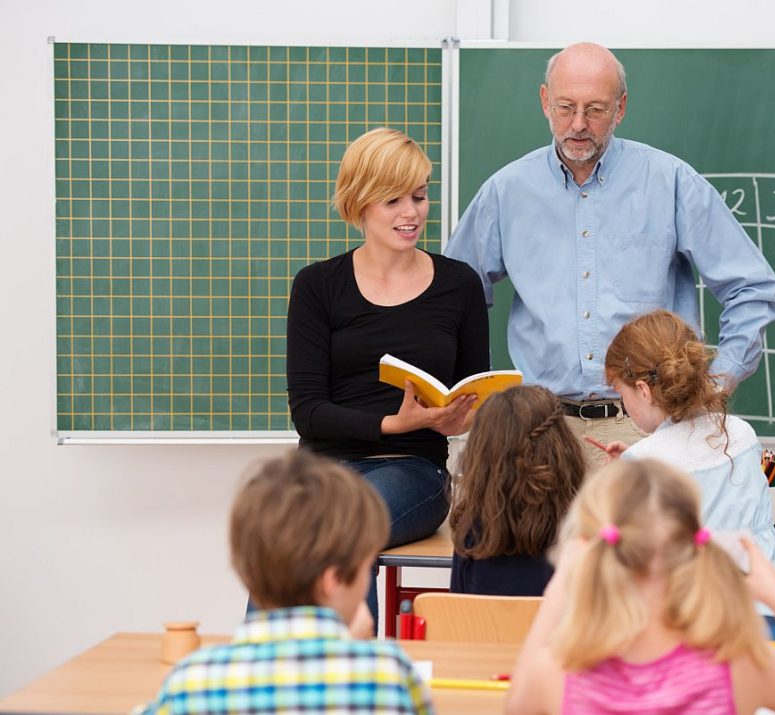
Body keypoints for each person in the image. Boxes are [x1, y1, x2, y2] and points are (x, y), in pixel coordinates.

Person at [445, 42, 775, 461]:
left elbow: (753, 289)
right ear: (544, 101)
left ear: (621, 108)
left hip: (653, 429)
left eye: (596, 109)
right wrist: (485, 395)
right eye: (566, 107)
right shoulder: (506, 192)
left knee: (642, 531)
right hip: (540, 432)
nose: (579, 124)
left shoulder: (671, 182)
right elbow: (453, 298)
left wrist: (715, 383)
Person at [286, 127, 490, 627]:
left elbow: (471, 396)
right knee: (286, 543)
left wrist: (453, 420)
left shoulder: (458, 284)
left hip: (413, 470)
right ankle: (267, 683)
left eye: (420, 196)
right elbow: (308, 413)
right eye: (393, 200)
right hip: (322, 470)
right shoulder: (317, 286)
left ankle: (351, 686)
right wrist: (392, 423)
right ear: (360, 203)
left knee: (345, 530)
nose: (412, 213)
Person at [506, 458, 775, 715]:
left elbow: (515, 706)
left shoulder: (558, 672)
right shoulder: (737, 663)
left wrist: (556, 593)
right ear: (693, 543)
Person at [138, 450, 432, 715]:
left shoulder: (192, 682)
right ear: (333, 580)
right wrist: (356, 650)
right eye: (366, 566)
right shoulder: (389, 677)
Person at [600, 309, 775, 594]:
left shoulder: (643, 463)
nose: (623, 405)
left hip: (701, 616)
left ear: (643, 390)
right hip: (768, 606)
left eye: (621, 394)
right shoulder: (742, 434)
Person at [449, 385, 586, 595]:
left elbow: (457, 610)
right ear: (564, 450)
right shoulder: (582, 536)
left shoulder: (471, 536)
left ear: (480, 455)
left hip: (485, 628)